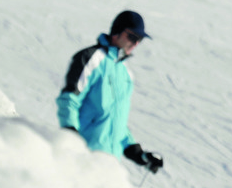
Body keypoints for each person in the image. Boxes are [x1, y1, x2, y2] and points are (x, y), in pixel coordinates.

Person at [57, 9, 163, 173]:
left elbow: (115, 119)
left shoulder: (126, 74)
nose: (135, 44)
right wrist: (71, 138)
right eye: (132, 37)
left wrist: (138, 153)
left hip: (108, 164)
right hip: (82, 159)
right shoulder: (91, 58)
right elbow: (69, 100)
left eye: (139, 39)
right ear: (117, 32)